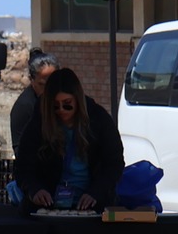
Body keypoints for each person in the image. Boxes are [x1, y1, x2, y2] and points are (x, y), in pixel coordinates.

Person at [15, 67, 124, 211]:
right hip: (47, 206)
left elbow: (114, 164)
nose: (61, 110)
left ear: (78, 100)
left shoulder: (99, 119)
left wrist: (96, 192)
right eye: (55, 106)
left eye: (67, 104)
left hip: (92, 205)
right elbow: (23, 165)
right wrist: (35, 190)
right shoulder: (39, 122)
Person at [8, 52, 58, 148]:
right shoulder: (25, 107)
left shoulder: (66, 100)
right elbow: (21, 149)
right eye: (42, 84)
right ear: (32, 80)